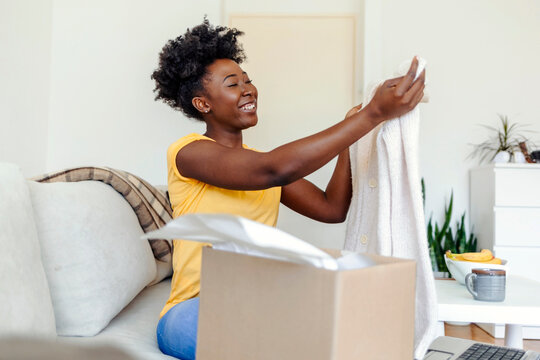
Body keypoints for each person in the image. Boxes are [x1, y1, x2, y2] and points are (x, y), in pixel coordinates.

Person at [151, 19, 425, 360]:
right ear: (203, 104)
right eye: (233, 84)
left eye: (248, 80)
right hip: (192, 309)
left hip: (258, 303)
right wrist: (371, 114)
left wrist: (353, 139)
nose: (248, 89)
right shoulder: (188, 153)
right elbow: (274, 169)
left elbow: (331, 208)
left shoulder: (260, 164)